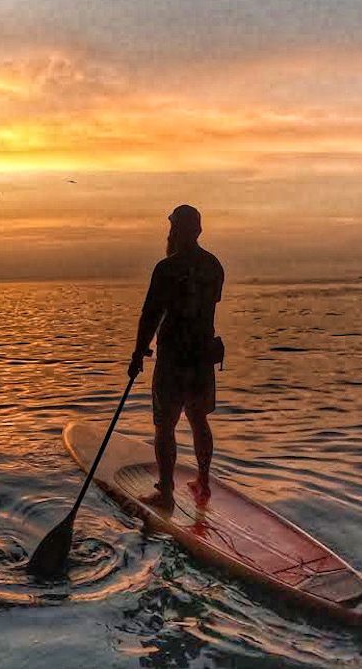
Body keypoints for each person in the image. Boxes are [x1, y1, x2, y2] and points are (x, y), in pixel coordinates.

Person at [128, 204, 224, 508]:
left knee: (165, 425)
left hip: (173, 360)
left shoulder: (166, 268)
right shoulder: (213, 265)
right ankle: (204, 483)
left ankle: (166, 493)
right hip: (202, 358)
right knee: (199, 420)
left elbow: (151, 315)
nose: (170, 233)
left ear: (179, 231)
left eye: (173, 228)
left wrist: (138, 353)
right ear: (199, 231)